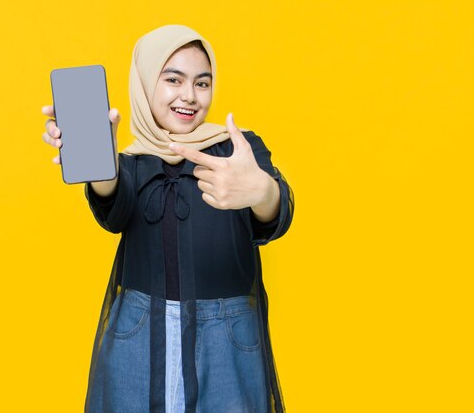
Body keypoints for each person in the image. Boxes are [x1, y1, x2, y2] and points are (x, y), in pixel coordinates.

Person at [41, 25, 294, 413]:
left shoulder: (238, 148)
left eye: (202, 83)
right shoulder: (130, 161)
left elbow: (276, 211)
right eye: (173, 79)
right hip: (138, 334)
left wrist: (261, 192)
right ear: (145, 83)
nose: (189, 96)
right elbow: (114, 204)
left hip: (227, 336)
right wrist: (101, 165)